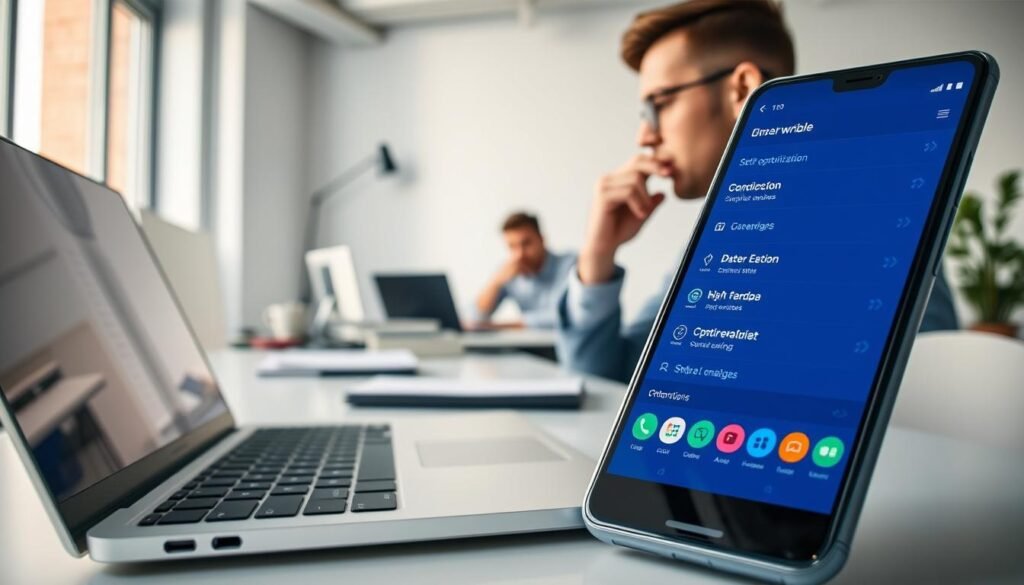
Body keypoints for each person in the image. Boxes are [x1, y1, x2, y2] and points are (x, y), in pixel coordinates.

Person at [557, 0, 958, 382]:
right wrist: (598, 258)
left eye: (657, 105)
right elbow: (611, 377)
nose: (645, 135)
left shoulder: (872, 213)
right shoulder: (722, 237)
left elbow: (929, 399)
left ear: (741, 88)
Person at [474, 212, 575, 329]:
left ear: (542, 239)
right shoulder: (508, 272)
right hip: (529, 345)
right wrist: (495, 283)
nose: (519, 255)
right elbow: (476, 317)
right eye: (512, 246)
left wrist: (509, 325)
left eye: (526, 244)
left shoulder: (570, 265)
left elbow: (567, 314)